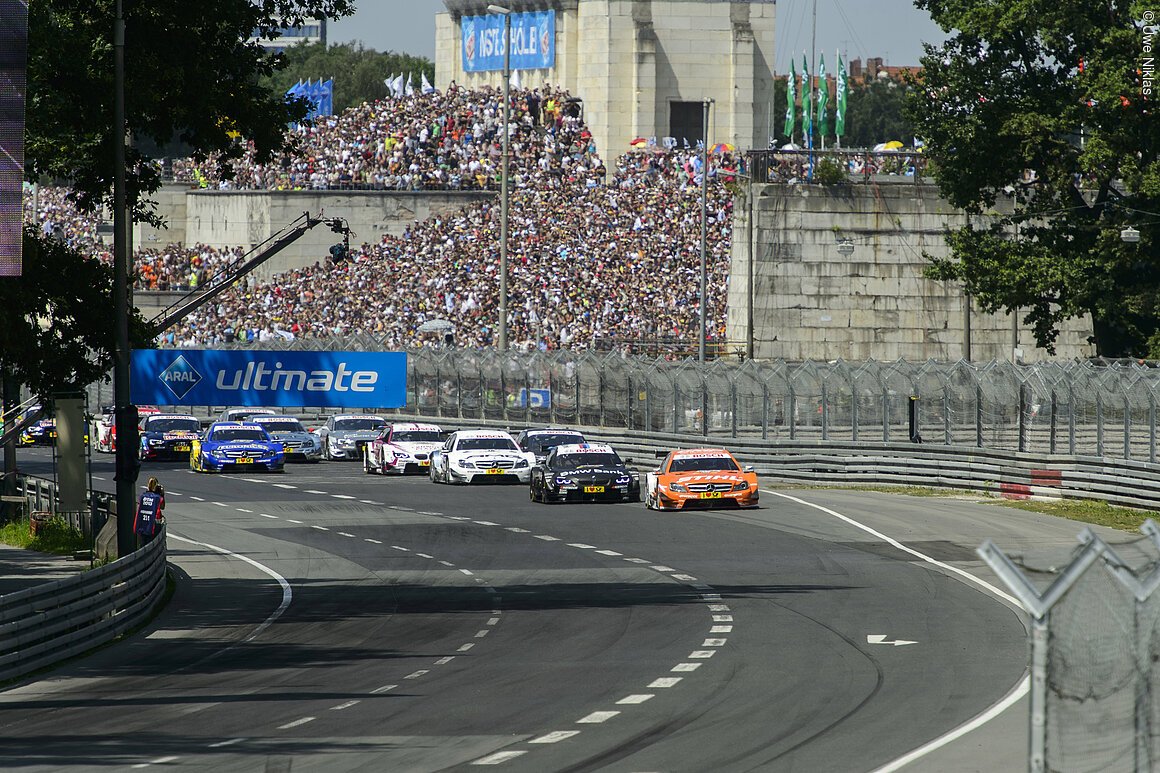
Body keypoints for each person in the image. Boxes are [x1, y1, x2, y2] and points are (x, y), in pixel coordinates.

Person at [134, 477, 166, 546]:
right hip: (153, 526)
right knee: (152, 544)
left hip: (142, 524)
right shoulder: (157, 498)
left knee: (143, 544)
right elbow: (162, 507)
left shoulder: (142, 496)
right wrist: (162, 494)